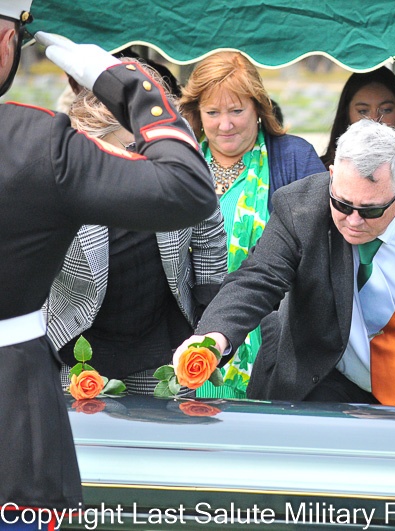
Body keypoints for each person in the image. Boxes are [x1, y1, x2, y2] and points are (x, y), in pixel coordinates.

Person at [0, 1, 216, 518]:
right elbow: (187, 189)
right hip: (14, 415)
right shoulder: (36, 144)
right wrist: (129, 86)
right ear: (6, 42)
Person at [176, 119, 395, 405]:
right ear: (331, 175)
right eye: (342, 204)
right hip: (326, 377)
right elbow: (257, 279)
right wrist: (213, 337)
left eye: (370, 210)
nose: (353, 221)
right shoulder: (299, 209)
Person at [45, 71, 227, 395]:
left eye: (138, 147)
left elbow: (208, 226)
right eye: (116, 152)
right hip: (78, 342)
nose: (133, 160)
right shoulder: (59, 174)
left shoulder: (175, 151)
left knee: (166, 426)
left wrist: (207, 303)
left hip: (162, 339)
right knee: (83, 429)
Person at [179, 50, 325, 398]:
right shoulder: (178, 165)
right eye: (212, 112)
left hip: (275, 347)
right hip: (188, 344)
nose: (225, 125)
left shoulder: (295, 158)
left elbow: (322, 250)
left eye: (236, 111)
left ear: (259, 107)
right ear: (197, 113)